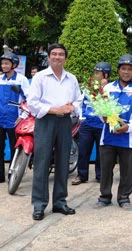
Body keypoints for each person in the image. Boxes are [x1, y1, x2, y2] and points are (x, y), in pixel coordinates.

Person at [27, 43, 82, 220]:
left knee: (63, 162)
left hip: (65, 122)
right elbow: (33, 103)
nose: (57, 57)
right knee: (42, 162)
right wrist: (54, 110)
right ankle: (39, 204)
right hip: (45, 121)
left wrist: (72, 107)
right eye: (54, 54)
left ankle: (60, 201)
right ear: (49, 57)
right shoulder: (40, 78)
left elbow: (79, 100)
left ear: (66, 58)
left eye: (60, 54)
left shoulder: (71, 79)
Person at [93, 54, 132, 211]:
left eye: (130, 69)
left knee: (127, 170)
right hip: (108, 137)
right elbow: (99, 107)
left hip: (128, 137)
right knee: (105, 169)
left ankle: (124, 198)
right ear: (118, 70)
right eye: (123, 69)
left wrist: (129, 127)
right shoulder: (108, 88)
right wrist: (103, 117)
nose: (126, 72)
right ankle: (104, 197)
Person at [71, 62, 111, 185]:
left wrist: (102, 88)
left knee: (101, 153)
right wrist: (80, 117)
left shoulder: (110, 88)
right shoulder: (88, 87)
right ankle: (81, 175)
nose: (95, 75)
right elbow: (80, 102)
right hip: (87, 123)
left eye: (98, 73)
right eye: (95, 72)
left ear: (106, 75)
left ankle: (100, 176)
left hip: (102, 125)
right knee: (83, 150)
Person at [0, 52, 30, 183]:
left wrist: (23, 116)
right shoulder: (0, 79)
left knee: (14, 148)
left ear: (14, 64)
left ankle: (13, 176)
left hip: (14, 120)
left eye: (6, 63)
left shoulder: (21, 80)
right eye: (2, 63)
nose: (3, 66)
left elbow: (28, 99)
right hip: (1, 119)